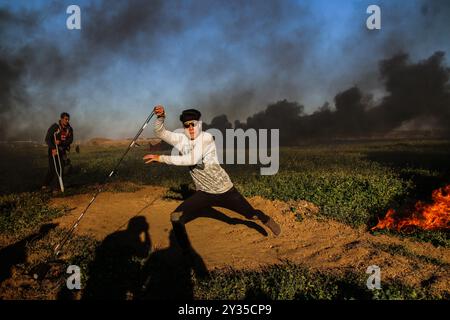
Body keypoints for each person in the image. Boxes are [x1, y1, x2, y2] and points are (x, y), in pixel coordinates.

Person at [143, 105, 281, 254]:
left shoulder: (206, 138)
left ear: (199, 124)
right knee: (175, 217)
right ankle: (186, 250)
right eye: (186, 125)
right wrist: (161, 117)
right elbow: (160, 132)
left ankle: (265, 219)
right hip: (204, 193)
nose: (190, 128)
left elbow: (192, 159)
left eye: (193, 124)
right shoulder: (181, 139)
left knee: (251, 215)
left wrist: (161, 158)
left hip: (226, 191)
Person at [42, 112, 74, 191]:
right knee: (53, 169)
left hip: (62, 150)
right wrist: (53, 148)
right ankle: (45, 185)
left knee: (61, 168)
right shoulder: (55, 127)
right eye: (65, 119)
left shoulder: (69, 129)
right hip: (53, 150)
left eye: (68, 119)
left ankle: (57, 187)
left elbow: (70, 140)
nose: (67, 121)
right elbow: (47, 139)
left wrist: (61, 143)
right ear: (61, 119)